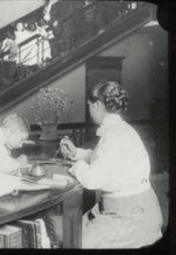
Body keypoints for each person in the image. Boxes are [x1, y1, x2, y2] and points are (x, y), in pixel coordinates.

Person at [58, 81, 162, 248]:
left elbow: (92, 180)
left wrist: (74, 163)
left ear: (98, 105)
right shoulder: (121, 128)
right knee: (73, 230)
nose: (89, 110)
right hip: (138, 206)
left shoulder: (113, 134)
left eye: (90, 106)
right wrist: (77, 153)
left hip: (131, 215)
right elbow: (106, 161)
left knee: (78, 242)